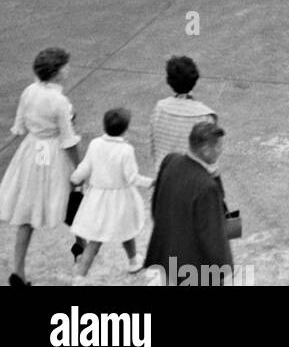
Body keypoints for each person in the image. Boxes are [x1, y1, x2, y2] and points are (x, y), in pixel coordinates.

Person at [0, 46, 81, 287]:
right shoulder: (60, 102)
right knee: (69, 201)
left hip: (31, 151)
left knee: (26, 213)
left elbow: (19, 127)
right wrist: (79, 167)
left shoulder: (29, 91)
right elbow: (68, 140)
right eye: (65, 66)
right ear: (57, 72)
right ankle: (83, 250)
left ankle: (19, 270)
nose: (69, 69)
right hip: (54, 155)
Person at [144, 120, 234, 285]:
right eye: (219, 147)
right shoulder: (207, 186)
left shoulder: (170, 161)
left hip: (166, 253)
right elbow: (214, 237)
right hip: (193, 268)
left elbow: (156, 205)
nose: (221, 151)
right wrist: (225, 272)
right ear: (206, 150)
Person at [70, 108, 151, 280]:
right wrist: (150, 182)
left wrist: (74, 178)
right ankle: (133, 261)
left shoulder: (95, 144)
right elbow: (131, 177)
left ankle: (79, 278)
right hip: (121, 199)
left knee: (95, 240)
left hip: (98, 199)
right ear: (125, 129)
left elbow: (85, 167)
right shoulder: (126, 150)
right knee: (127, 231)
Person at [150, 55, 217, 171]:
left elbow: (153, 147)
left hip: (165, 176)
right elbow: (210, 158)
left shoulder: (159, 108)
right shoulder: (205, 116)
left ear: (169, 81)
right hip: (192, 180)